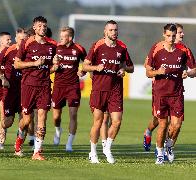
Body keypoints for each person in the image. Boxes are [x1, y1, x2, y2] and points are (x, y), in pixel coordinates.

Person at [82, 20, 134, 164]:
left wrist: (124, 69)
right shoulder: (97, 45)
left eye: (116, 30)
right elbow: (85, 66)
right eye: (111, 30)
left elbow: (131, 67)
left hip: (116, 90)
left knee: (117, 121)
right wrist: (95, 68)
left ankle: (107, 148)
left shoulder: (122, 47)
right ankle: (92, 152)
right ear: (105, 31)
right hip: (99, 89)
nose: (114, 32)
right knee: (98, 122)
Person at [143, 23, 196, 161]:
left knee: (176, 124)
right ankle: (156, 145)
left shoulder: (184, 50)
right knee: (161, 122)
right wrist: (157, 72)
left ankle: (169, 146)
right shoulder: (157, 48)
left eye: (177, 34)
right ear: (166, 35)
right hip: (160, 90)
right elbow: (147, 68)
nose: (181, 35)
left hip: (176, 92)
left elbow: (193, 70)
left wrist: (188, 73)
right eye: (179, 33)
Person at [13, 16, 57, 160]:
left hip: (44, 85)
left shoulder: (52, 45)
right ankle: (19, 141)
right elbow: (17, 64)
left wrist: (55, 65)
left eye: (44, 26)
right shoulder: (26, 43)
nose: (42, 28)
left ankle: (37, 152)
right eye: (39, 26)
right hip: (28, 85)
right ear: (34, 27)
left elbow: (51, 66)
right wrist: (33, 64)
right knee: (26, 120)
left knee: (42, 117)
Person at [51, 26, 87, 152]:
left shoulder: (79, 49)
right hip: (58, 86)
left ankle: (69, 144)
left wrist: (83, 72)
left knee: (73, 114)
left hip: (73, 87)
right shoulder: (56, 48)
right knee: (56, 116)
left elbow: (87, 64)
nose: (60, 39)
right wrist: (53, 66)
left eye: (62, 37)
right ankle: (58, 130)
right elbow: (50, 66)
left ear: (70, 38)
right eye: (60, 37)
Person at [0, 28, 27, 149]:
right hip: (10, 90)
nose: (23, 42)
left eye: (25, 39)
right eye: (21, 39)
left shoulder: (30, 52)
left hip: (26, 90)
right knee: (8, 122)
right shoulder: (8, 50)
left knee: (26, 119)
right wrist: (3, 78)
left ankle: (18, 145)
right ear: (16, 39)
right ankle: (1, 132)